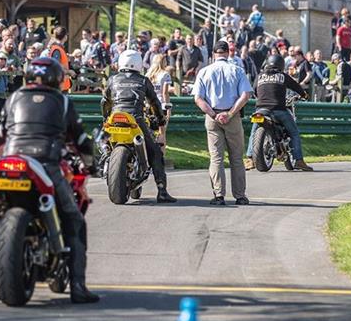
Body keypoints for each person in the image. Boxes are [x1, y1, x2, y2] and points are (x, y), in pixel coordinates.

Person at [0, 57, 99, 304]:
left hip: (10, 163)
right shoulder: (62, 102)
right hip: (46, 165)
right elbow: (82, 141)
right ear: (57, 78)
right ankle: (78, 287)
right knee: (74, 220)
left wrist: (9, 154)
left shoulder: (13, 98)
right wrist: (90, 164)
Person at [101, 50, 177, 203]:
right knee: (155, 151)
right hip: (135, 119)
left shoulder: (112, 80)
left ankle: (105, 160)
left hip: (114, 118)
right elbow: (155, 102)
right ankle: (162, 191)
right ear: (139, 64)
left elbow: (104, 102)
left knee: (104, 144)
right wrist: (160, 119)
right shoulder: (143, 80)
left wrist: (106, 117)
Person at [193, 40, 253, 205]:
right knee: (236, 158)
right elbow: (246, 95)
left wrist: (213, 114)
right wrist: (231, 112)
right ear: (227, 53)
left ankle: (219, 195)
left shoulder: (204, 71)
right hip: (232, 116)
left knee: (216, 157)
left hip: (212, 117)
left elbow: (198, 98)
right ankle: (240, 196)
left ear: (213, 54)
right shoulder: (237, 70)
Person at [244, 54, 313, 172]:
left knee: (253, 132)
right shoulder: (283, 76)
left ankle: (250, 159)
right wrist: (304, 95)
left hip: (261, 110)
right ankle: (299, 161)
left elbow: (254, 90)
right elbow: (296, 87)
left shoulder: (260, 76)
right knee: (294, 133)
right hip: (279, 109)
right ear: (281, 65)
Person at [146, 53, 173, 153]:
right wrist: (168, 108)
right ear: (162, 62)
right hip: (160, 104)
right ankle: (161, 155)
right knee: (162, 131)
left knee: (149, 130)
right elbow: (165, 93)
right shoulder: (165, 74)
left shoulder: (148, 74)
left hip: (148, 105)